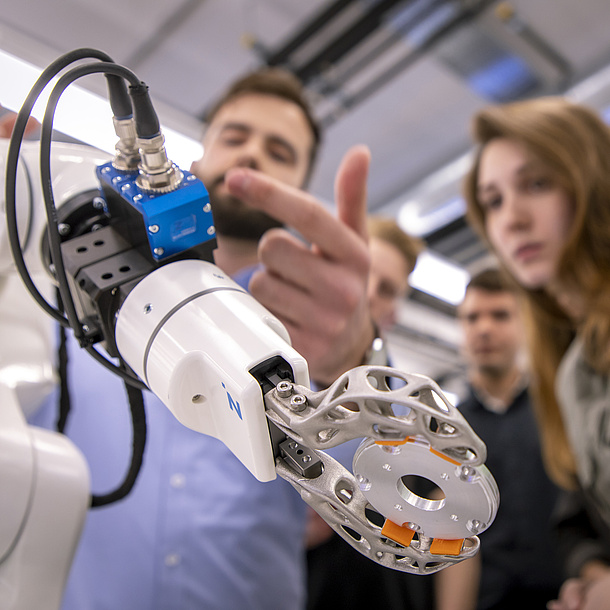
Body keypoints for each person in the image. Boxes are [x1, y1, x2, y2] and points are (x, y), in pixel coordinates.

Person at [28, 67, 378, 609]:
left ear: (300, 190)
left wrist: (358, 354)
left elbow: (379, 499)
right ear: (190, 163)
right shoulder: (71, 302)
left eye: (280, 151)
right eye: (236, 137)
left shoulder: (328, 328)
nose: (253, 153)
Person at [462, 97, 610, 610]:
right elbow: (581, 519)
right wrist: (593, 578)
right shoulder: (572, 364)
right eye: (493, 200)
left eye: (537, 184)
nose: (512, 220)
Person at [305, 215, 431, 610]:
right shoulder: (266, 358)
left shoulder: (406, 408)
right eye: (366, 274)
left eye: (388, 289)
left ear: (394, 311)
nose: (371, 294)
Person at [435, 268, 563, 610]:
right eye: (473, 318)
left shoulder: (558, 412)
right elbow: (449, 533)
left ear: (525, 323)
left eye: (500, 315)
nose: (485, 328)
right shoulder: (447, 429)